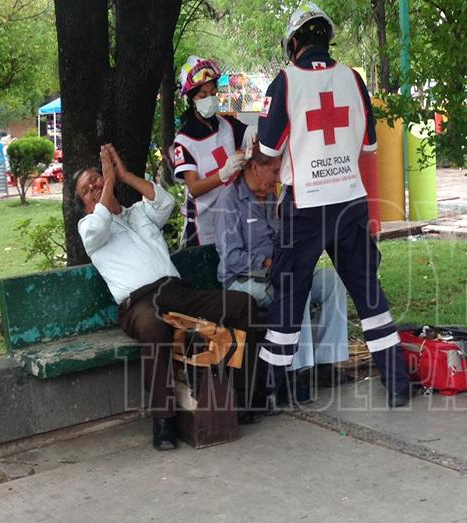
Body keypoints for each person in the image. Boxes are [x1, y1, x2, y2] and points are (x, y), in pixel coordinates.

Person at [256, 2, 411, 407]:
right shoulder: (353, 80)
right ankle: (398, 384)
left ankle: (265, 394)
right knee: (369, 296)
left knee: (289, 299)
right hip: (350, 202)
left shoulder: (285, 81)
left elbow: (268, 149)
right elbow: (369, 145)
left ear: (293, 43)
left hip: (305, 206)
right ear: (326, 37)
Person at [76, 143, 266, 451]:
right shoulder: (89, 226)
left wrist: (124, 175)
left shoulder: (138, 213)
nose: (95, 187)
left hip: (176, 290)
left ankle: (244, 397)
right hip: (139, 303)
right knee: (154, 329)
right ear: (84, 205)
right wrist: (108, 181)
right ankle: (163, 420)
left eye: (97, 180)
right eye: (87, 190)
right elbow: (100, 224)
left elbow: (165, 202)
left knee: (243, 305)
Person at [213, 143, 352, 403]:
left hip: (279, 272)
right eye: (275, 172)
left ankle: (326, 362)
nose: (278, 179)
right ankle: (297, 371)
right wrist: (267, 262)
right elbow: (231, 259)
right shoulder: (229, 202)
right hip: (243, 281)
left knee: (333, 281)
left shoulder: (272, 198)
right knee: (295, 288)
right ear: (256, 167)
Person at [171, 56, 249, 247]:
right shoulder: (184, 140)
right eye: (203, 95)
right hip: (203, 226)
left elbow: (252, 136)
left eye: (213, 93)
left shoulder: (227, 124)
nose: (210, 99)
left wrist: (255, 134)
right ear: (191, 99)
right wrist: (224, 173)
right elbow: (194, 188)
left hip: (233, 214)